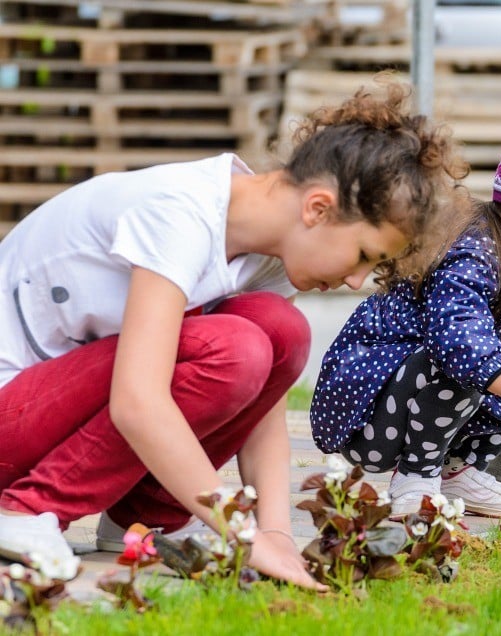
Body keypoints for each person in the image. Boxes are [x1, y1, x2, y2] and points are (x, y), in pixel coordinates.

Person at [0, 81, 466, 586]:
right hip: (12, 414)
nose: (356, 282)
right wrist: (236, 529)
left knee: (281, 331)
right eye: (362, 256)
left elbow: (260, 411)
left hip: (48, 418)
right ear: (317, 208)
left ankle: (138, 517)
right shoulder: (182, 213)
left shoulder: (272, 256)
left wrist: (275, 536)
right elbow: (138, 401)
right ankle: (28, 511)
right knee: (233, 349)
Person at [310, 119, 501, 518]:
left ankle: (458, 471)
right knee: (461, 358)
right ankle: (416, 477)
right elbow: (459, 343)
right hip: (364, 408)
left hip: (412, 403)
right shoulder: (473, 249)